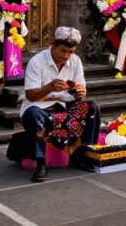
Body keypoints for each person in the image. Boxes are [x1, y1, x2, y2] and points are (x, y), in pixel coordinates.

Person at [20, 27, 101, 182]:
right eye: (63, 51)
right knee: (33, 114)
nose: (66, 56)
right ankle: (40, 162)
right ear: (52, 45)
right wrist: (49, 87)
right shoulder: (37, 62)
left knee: (92, 107)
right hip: (39, 106)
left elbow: (81, 92)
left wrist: (80, 93)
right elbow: (30, 95)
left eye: (71, 52)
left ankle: (81, 154)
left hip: (64, 105)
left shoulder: (75, 61)